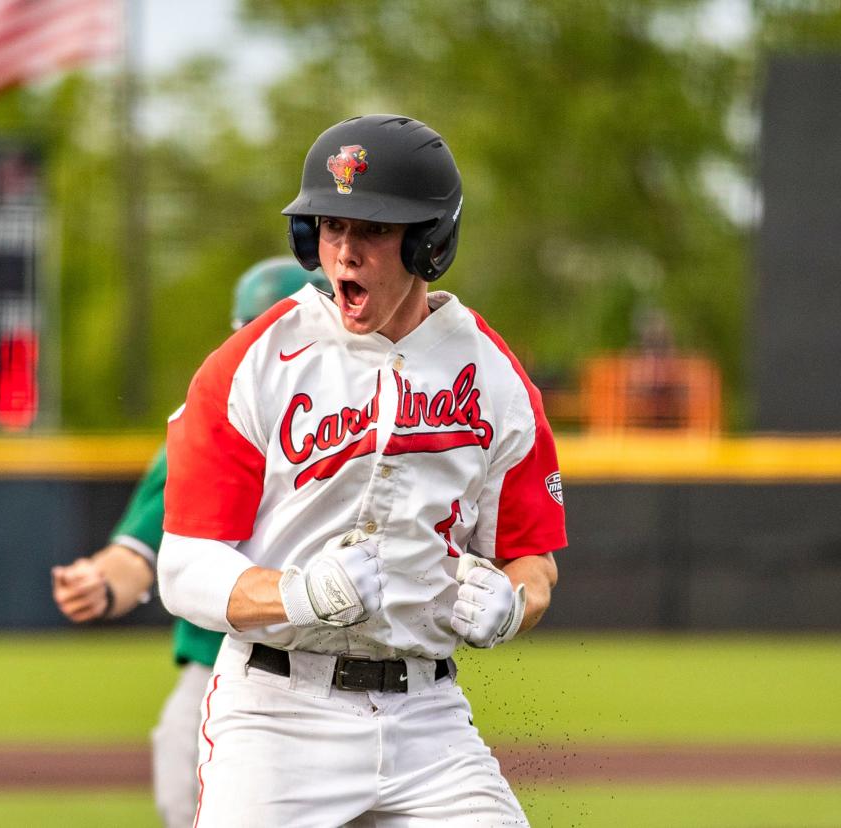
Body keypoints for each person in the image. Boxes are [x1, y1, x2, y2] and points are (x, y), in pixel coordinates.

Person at [159, 114, 566, 826]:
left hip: (427, 720)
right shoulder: (254, 363)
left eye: (373, 231)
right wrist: (296, 594)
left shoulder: (495, 379)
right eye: (330, 226)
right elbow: (185, 567)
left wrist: (512, 603)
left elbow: (531, 559)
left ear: (429, 243)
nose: (345, 252)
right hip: (277, 715)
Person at [51, 258, 330, 828]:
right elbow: (141, 546)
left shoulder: (385, 415)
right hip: (227, 668)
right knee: (184, 792)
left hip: (362, 676)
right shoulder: (214, 419)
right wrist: (103, 583)